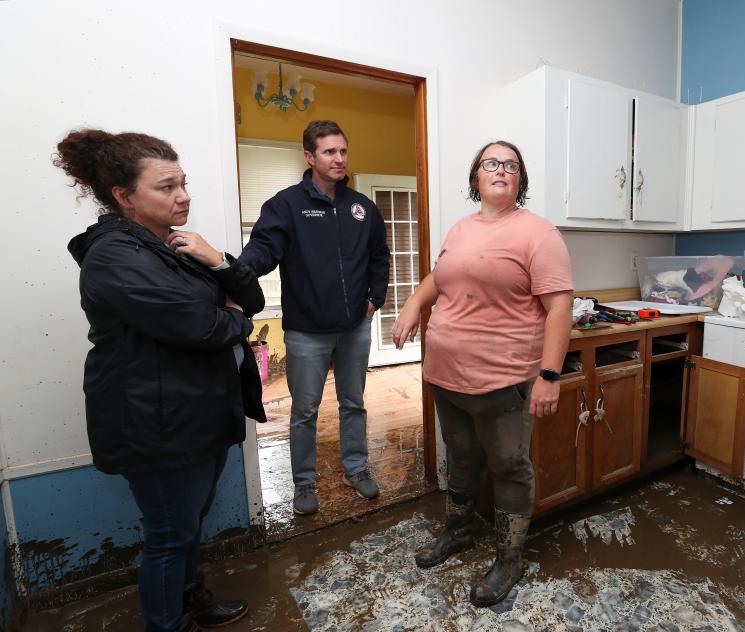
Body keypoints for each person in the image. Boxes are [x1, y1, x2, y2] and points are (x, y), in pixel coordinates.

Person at [57, 129, 267, 632]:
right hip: (155, 423)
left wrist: (217, 260)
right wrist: (235, 320)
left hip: (194, 413)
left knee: (188, 524)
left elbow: (251, 301)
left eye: (184, 183)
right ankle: (168, 624)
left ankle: (190, 602)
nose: (183, 196)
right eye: (167, 187)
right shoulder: (114, 256)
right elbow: (203, 326)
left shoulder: (174, 247)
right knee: (170, 534)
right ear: (124, 197)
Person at [392, 140, 574, 607]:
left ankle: (509, 559)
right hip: (446, 376)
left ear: (520, 181)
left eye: (511, 165)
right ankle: (457, 534)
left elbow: (559, 308)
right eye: (491, 163)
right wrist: (414, 302)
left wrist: (549, 375)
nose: (501, 170)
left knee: (510, 468)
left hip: (504, 380)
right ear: (476, 177)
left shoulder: (539, 234)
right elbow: (441, 276)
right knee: (462, 457)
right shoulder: (460, 228)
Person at [238, 120, 390, 515]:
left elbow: (379, 256)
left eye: (343, 151)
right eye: (329, 152)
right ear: (309, 156)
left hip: (355, 326)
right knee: (305, 411)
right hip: (307, 331)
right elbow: (263, 249)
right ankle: (303, 483)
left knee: (353, 402)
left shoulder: (362, 208)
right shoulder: (286, 205)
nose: (339, 159)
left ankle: (355, 469)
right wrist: (236, 273)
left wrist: (376, 297)